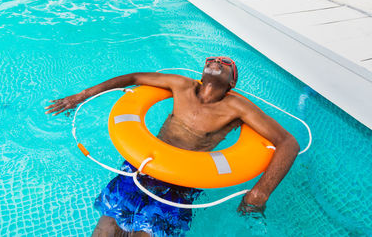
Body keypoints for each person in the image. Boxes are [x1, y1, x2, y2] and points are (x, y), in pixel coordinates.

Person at [45, 56, 300, 236]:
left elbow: (288, 142)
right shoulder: (181, 85)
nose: (217, 62)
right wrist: (79, 97)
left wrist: (261, 192)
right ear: (202, 72)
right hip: (142, 165)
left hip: (181, 180)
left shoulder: (237, 108)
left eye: (226, 64)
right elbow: (134, 77)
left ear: (232, 83)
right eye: (212, 60)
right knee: (106, 228)